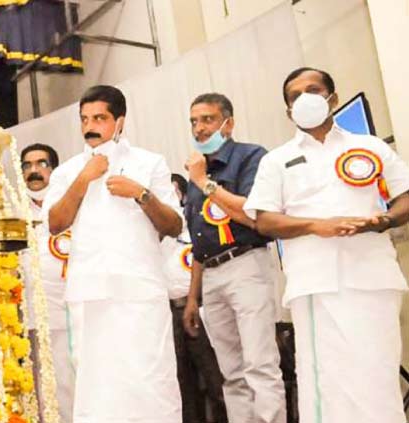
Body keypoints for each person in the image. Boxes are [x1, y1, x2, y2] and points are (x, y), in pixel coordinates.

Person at [244, 67, 409, 423]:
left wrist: (384, 220)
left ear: (332, 98)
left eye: (313, 90)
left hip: (374, 277)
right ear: (288, 110)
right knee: (327, 382)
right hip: (315, 284)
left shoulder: (370, 147)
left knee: (378, 374)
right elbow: (264, 221)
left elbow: (405, 197)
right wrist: (317, 226)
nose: (304, 99)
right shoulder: (276, 160)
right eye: (295, 96)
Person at [45, 85, 183, 423]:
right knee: (97, 389)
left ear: (120, 121)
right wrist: (83, 179)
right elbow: (55, 223)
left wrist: (142, 194)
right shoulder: (68, 171)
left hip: (141, 293)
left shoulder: (149, 163)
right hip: (90, 295)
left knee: (151, 382)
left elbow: (174, 225)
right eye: (84, 119)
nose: (90, 126)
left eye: (99, 118)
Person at [180, 93, 287, 423]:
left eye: (207, 119)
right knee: (231, 371)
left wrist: (203, 182)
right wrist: (193, 297)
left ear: (228, 123)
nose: (199, 128)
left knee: (260, 363)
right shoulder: (198, 170)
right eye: (194, 122)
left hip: (245, 264)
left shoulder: (251, 156)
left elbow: (255, 215)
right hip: (210, 275)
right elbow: (199, 240)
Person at [20, 143, 76, 423]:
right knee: (43, 395)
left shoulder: (70, 206)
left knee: (74, 391)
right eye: (27, 165)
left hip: (73, 315)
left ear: (54, 169)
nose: (34, 171)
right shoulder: (14, 212)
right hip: (34, 320)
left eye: (41, 164)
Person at [165, 174, 228, 423]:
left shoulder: (195, 225)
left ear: (182, 195)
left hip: (199, 309)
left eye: (173, 192)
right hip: (168, 313)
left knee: (215, 378)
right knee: (182, 385)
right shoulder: (157, 231)